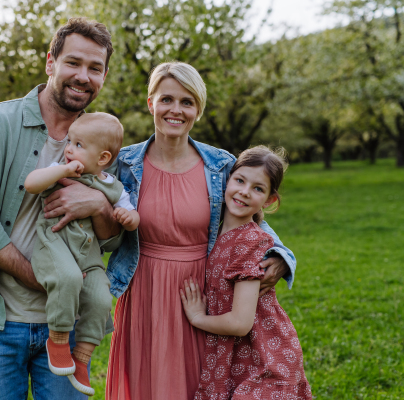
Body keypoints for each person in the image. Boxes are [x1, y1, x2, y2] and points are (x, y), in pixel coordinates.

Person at [0, 18, 123, 399]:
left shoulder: (104, 141)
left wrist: (96, 205)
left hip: (69, 323)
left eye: (95, 68)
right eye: (73, 62)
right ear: (50, 62)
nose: (83, 76)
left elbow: (111, 240)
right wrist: (36, 277)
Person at [105, 62, 298, 400]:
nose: (175, 110)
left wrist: (282, 257)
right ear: (151, 103)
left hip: (200, 293)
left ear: (198, 109)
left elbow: (255, 218)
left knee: (196, 384)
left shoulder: (219, 164)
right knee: (144, 384)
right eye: (166, 99)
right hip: (143, 289)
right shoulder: (124, 162)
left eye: (187, 102)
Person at [180, 146, 312, 399]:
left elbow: (240, 323)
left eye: (258, 188)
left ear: (270, 200)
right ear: (226, 180)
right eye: (239, 180)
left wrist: (197, 318)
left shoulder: (250, 242)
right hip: (235, 355)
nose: (244, 192)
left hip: (264, 359)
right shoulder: (215, 234)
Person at [24, 112, 139, 396]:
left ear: (102, 159)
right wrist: (61, 171)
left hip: (88, 253)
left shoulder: (113, 185)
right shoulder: (59, 168)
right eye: (70, 142)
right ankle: (59, 339)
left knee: (102, 294)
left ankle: (83, 356)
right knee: (68, 278)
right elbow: (31, 183)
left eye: (78, 144)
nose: (69, 149)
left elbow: (132, 215)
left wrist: (128, 217)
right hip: (54, 243)